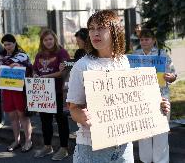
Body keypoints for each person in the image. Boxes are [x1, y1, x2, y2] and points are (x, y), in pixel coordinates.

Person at [66, 10, 171, 163]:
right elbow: (73, 108)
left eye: (101, 28)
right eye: (91, 28)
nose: (95, 33)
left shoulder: (124, 61)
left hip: (124, 147)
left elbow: (134, 99)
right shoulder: (82, 66)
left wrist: (157, 105)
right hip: (92, 149)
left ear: (114, 31)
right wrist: (81, 116)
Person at [133, 28, 177, 163]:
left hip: (161, 97)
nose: (144, 42)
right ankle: (146, 159)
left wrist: (171, 77)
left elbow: (173, 74)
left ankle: (161, 160)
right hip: (141, 97)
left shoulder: (162, 54)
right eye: (141, 39)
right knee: (144, 129)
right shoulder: (135, 55)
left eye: (147, 39)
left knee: (161, 129)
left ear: (153, 40)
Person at [33, 29, 70, 161]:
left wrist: (46, 76)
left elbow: (64, 71)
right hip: (44, 93)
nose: (48, 42)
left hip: (59, 92)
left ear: (54, 39)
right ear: (42, 41)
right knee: (45, 121)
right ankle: (47, 146)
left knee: (61, 121)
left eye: (50, 39)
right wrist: (36, 75)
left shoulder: (61, 52)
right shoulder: (39, 55)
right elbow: (35, 69)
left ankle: (64, 148)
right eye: (45, 40)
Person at [0, 34, 33, 153]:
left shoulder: (22, 56)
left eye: (9, 44)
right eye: (5, 44)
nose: (7, 47)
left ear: (14, 43)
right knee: (12, 116)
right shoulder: (2, 56)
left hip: (19, 90)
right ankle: (17, 140)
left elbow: (30, 69)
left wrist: (20, 66)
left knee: (22, 116)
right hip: (7, 90)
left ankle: (28, 141)